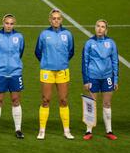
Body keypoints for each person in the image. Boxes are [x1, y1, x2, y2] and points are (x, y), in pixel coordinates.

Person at [35, 9, 74, 140]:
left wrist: (61, 62)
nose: (56, 20)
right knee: (45, 100)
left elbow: (71, 51)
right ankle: (42, 130)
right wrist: (48, 62)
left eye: (58, 18)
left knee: (63, 100)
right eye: (54, 18)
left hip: (63, 71)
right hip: (47, 71)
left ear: (61, 20)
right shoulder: (44, 34)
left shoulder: (67, 34)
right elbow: (38, 52)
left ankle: (66, 130)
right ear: (50, 20)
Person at [82, 19, 119, 140]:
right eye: (98, 26)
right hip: (93, 77)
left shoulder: (111, 43)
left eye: (102, 27)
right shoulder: (89, 43)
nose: (100, 28)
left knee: (107, 103)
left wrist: (115, 79)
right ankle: (88, 131)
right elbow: (85, 62)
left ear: (106, 30)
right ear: (95, 27)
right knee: (91, 103)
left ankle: (109, 130)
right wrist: (86, 80)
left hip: (107, 77)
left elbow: (115, 61)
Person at [0, 14, 25, 139]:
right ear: (3, 23)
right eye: (7, 23)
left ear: (14, 24)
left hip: (15, 73)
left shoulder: (19, 37)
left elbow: (20, 51)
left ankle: (18, 129)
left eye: (11, 23)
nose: (9, 26)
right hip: (0, 73)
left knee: (16, 100)